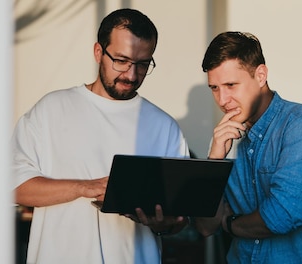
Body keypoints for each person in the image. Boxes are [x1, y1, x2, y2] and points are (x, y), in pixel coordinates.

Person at [12, 8, 190, 264]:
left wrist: (164, 223)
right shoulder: (51, 109)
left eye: (142, 64)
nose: (131, 74)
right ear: (98, 52)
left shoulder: (165, 126)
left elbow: (179, 220)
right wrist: (86, 187)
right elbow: (13, 186)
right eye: (121, 60)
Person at [194, 31, 302, 263]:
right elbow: (204, 226)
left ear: (260, 75)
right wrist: (214, 161)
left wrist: (229, 223)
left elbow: (281, 216)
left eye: (231, 85)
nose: (222, 100)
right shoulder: (223, 139)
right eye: (214, 88)